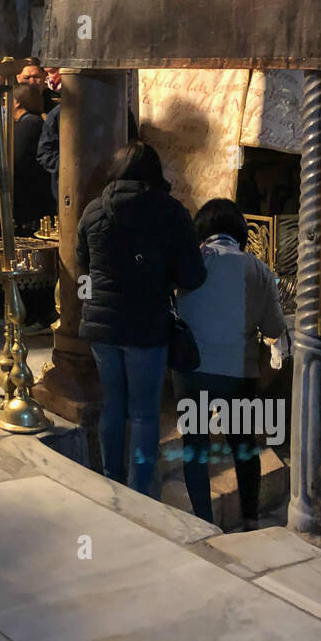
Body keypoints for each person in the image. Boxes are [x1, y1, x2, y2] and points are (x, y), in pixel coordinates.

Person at [76, 142, 206, 499]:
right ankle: (139, 495)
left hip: (101, 324)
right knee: (146, 413)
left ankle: (110, 480)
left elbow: (83, 265)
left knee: (113, 405)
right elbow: (192, 276)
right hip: (147, 326)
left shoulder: (93, 210)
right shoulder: (170, 212)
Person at [174, 198, 287, 530]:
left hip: (191, 371)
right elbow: (275, 329)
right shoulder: (258, 270)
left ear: (202, 231)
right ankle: (250, 520)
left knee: (195, 446)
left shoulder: (191, 264)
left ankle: (203, 524)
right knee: (243, 445)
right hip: (238, 374)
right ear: (240, 231)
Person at [12, 83, 56, 334]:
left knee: (33, 259)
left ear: (17, 102)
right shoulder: (30, 123)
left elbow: (17, 161)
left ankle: (40, 313)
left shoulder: (29, 124)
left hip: (32, 203)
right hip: (32, 201)